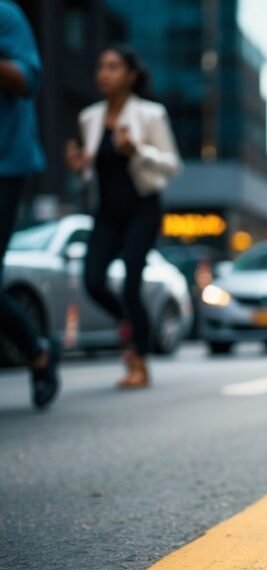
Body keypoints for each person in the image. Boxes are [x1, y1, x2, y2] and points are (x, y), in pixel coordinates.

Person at [66, 45, 180, 389]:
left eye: (113, 67)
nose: (104, 73)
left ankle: (139, 361)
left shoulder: (150, 115)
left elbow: (172, 164)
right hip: (107, 211)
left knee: (132, 283)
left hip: (142, 206)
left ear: (130, 75)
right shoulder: (90, 117)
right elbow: (94, 171)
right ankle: (127, 323)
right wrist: (81, 167)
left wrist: (137, 151)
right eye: (101, 66)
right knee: (93, 281)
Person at [0, 0, 60, 408]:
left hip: (4, 163)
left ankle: (37, 350)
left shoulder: (5, 15)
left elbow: (26, 80)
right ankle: (37, 348)